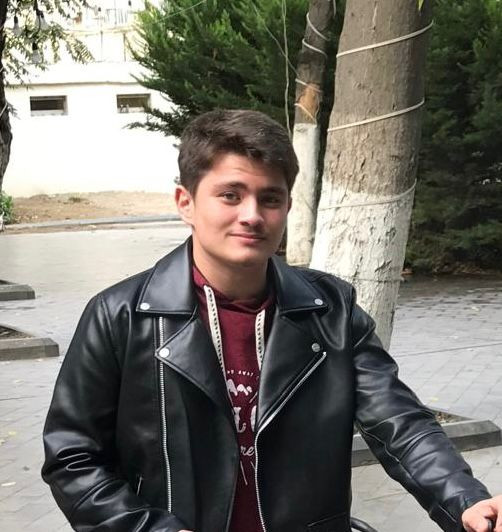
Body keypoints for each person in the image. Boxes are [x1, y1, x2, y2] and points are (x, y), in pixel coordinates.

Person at [42, 109, 501, 532]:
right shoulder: (121, 315)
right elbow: (73, 457)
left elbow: (399, 421)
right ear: (186, 202)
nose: (252, 216)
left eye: (270, 198)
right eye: (230, 195)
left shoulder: (331, 311)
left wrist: (465, 499)